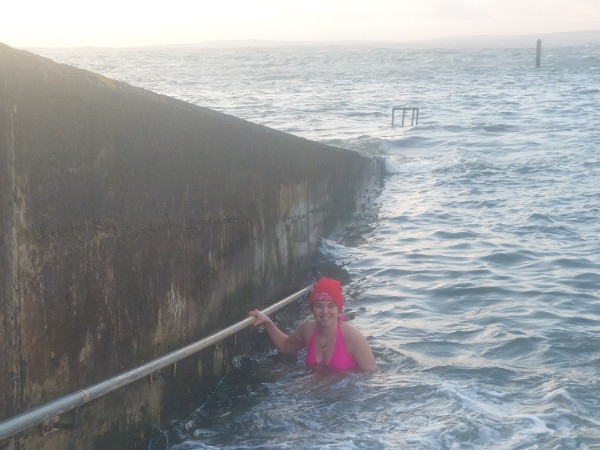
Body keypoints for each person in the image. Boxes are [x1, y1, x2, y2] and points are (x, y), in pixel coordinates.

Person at [248, 277, 377, 372]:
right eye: (318, 306)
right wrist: (268, 322)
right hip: (315, 394)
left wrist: (331, 382)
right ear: (312, 309)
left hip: (344, 395)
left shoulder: (352, 337)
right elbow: (286, 346)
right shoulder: (308, 330)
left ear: (339, 309)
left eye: (331, 306)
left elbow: (371, 375)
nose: (325, 311)